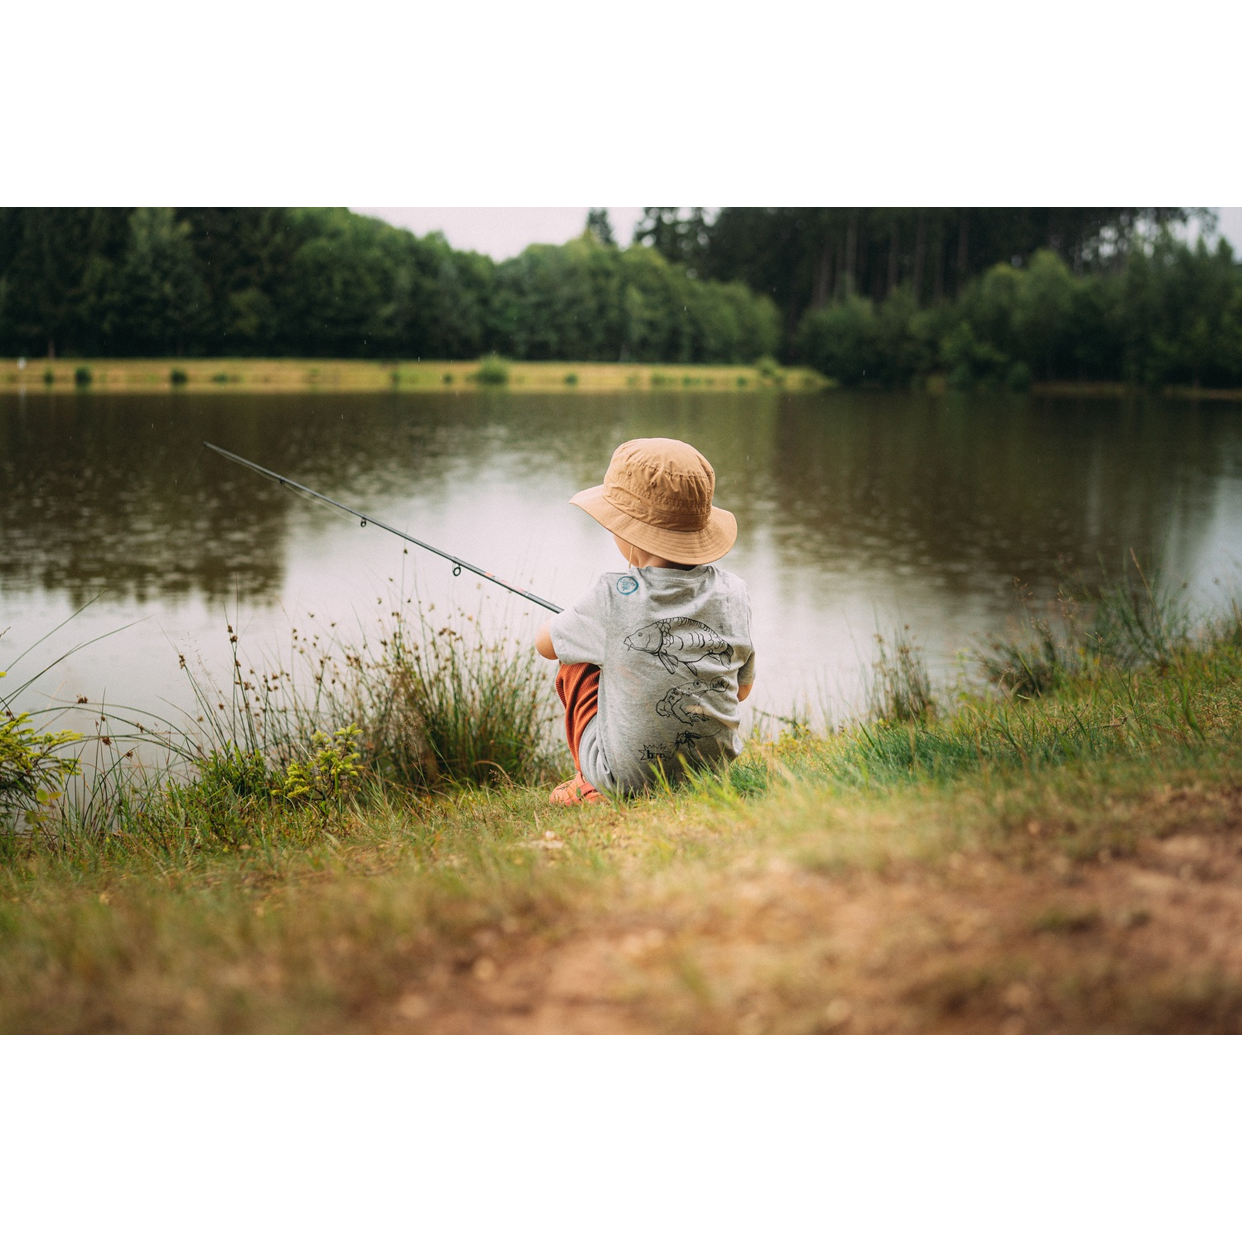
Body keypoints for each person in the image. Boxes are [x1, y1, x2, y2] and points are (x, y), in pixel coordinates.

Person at [536, 437, 755, 805]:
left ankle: (591, 783)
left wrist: (571, 620)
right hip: (713, 772)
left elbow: (545, 645)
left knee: (575, 661)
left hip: (625, 781)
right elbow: (742, 690)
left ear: (628, 530)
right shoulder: (735, 591)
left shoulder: (609, 595)